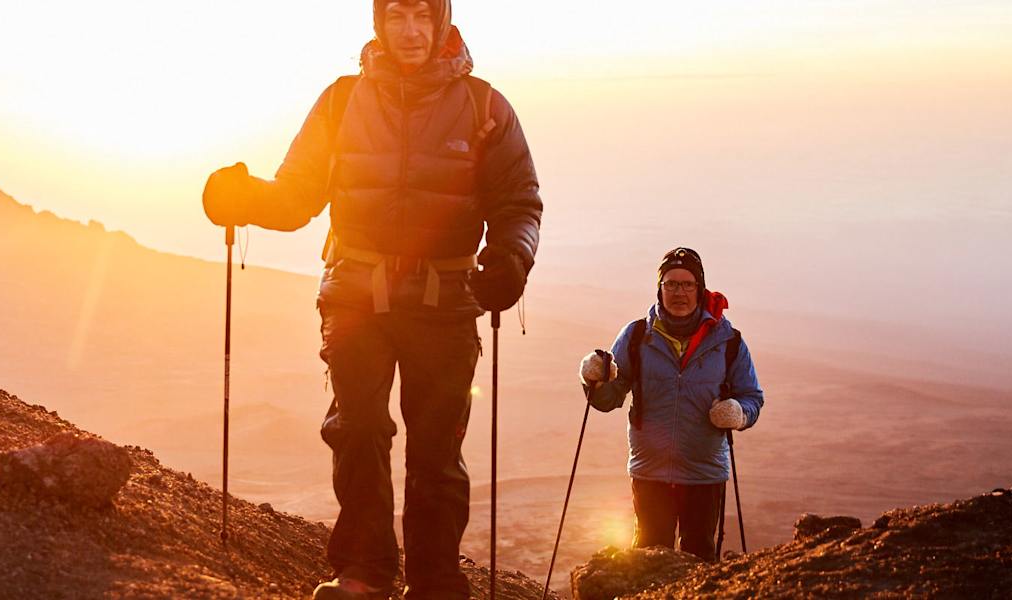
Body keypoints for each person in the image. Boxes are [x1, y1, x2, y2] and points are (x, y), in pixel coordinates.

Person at [201, 0, 542, 597]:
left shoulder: (485, 106)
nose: (409, 31)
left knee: (436, 451)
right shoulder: (340, 101)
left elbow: (519, 202)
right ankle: (362, 575)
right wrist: (242, 198)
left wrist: (512, 259)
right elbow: (296, 195)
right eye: (397, 17)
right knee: (358, 432)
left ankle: (434, 582)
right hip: (356, 295)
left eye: (421, 17)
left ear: (440, 23)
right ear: (378, 24)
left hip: (446, 300)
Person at [578, 247, 763, 560]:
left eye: (687, 284)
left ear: (700, 289)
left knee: (700, 555)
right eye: (671, 284)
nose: (679, 292)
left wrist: (738, 413)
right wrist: (594, 380)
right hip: (650, 472)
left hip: (704, 473)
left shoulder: (728, 341)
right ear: (659, 289)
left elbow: (752, 398)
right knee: (649, 555)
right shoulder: (636, 336)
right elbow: (609, 400)